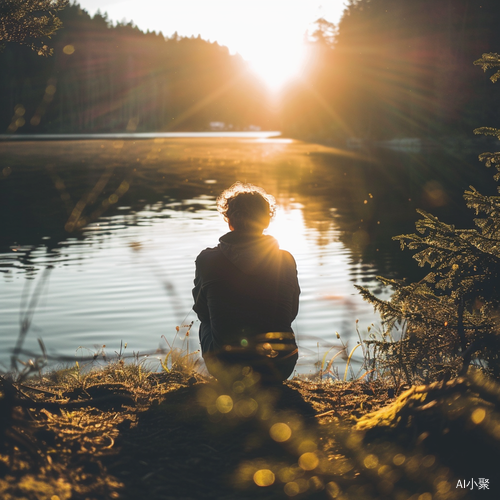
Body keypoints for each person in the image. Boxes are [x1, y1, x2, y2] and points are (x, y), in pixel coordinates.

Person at [192, 182, 300, 383]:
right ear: (266, 221)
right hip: (280, 366)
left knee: (207, 320)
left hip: (226, 367)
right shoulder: (285, 259)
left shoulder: (208, 260)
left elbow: (201, 312)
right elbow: (291, 312)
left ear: (229, 221)